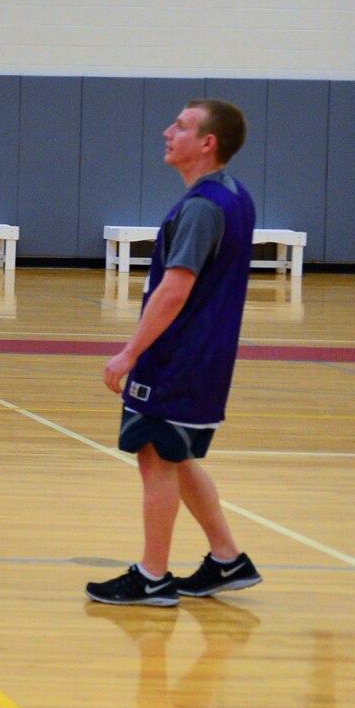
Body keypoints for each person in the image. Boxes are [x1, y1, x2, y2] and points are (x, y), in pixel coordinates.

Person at [87, 100, 263, 607]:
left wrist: (128, 354)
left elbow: (173, 291)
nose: (167, 132)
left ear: (207, 143)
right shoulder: (234, 197)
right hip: (205, 355)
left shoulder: (203, 207)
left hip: (179, 357)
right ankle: (228, 559)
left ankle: (153, 577)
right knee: (176, 454)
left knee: (155, 457)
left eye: (181, 127)